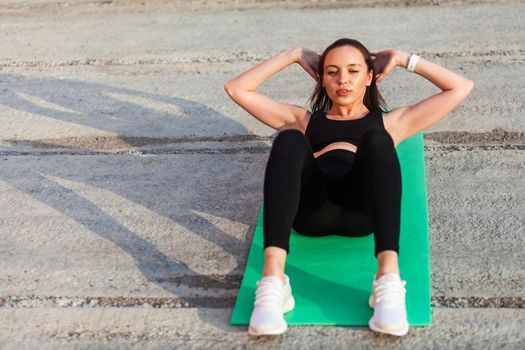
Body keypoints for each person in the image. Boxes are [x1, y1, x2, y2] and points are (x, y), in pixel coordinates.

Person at [224, 38, 474, 337]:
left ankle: (387, 280)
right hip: (311, 213)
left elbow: (460, 87)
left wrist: (402, 58)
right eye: (332, 71)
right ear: (320, 77)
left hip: (362, 212)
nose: (342, 79)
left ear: (369, 77)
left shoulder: (392, 123)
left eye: (353, 71)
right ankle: (273, 283)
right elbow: (236, 89)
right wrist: (293, 54)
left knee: (378, 139)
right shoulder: (303, 120)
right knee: (288, 139)